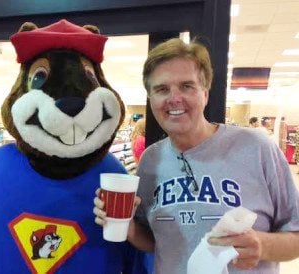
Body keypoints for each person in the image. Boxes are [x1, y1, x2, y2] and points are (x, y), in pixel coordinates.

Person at [94, 37, 299, 273]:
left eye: (186, 86)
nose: (174, 98)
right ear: (151, 100)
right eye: (162, 89)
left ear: (205, 93)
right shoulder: (150, 161)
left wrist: (262, 246)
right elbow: (154, 241)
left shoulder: (256, 148)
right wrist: (128, 227)